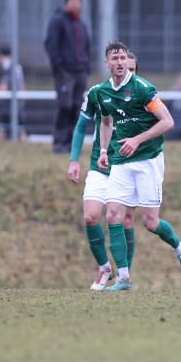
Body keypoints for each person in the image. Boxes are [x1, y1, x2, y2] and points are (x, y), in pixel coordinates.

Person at [95, 41, 181, 291]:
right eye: (114, 58)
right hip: (120, 161)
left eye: (122, 58)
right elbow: (106, 122)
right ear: (106, 63)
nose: (119, 62)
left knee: (150, 223)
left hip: (148, 160)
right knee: (113, 215)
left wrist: (137, 140)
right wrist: (105, 150)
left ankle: (180, 247)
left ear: (128, 62)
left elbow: (168, 122)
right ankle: (124, 278)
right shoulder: (102, 92)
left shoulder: (142, 88)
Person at [67, 52, 139, 290]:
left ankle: (123, 277)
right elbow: (81, 126)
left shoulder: (142, 96)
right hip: (101, 164)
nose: (124, 70)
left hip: (128, 167)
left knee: (126, 220)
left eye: (130, 68)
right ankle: (104, 268)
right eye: (119, 64)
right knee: (90, 216)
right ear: (109, 65)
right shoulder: (99, 94)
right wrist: (74, 160)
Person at [44, 0, 91, 154]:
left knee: (77, 107)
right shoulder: (58, 21)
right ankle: (59, 142)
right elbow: (51, 44)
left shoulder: (81, 25)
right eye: (73, 1)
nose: (76, 4)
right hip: (65, 73)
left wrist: (86, 67)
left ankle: (72, 143)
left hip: (80, 72)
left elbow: (87, 47)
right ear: (67, 3)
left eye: (79, 1)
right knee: (64, 106)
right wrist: (58, 67)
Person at [0, 43, 27, 142]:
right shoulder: (17, 67)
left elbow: (4, 87)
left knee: (1, 129)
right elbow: (23, 86)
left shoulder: (7, 67)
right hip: (17, 104)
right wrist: (23, 103)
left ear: (0, 55)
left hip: (9, 105)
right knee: (19, 129)